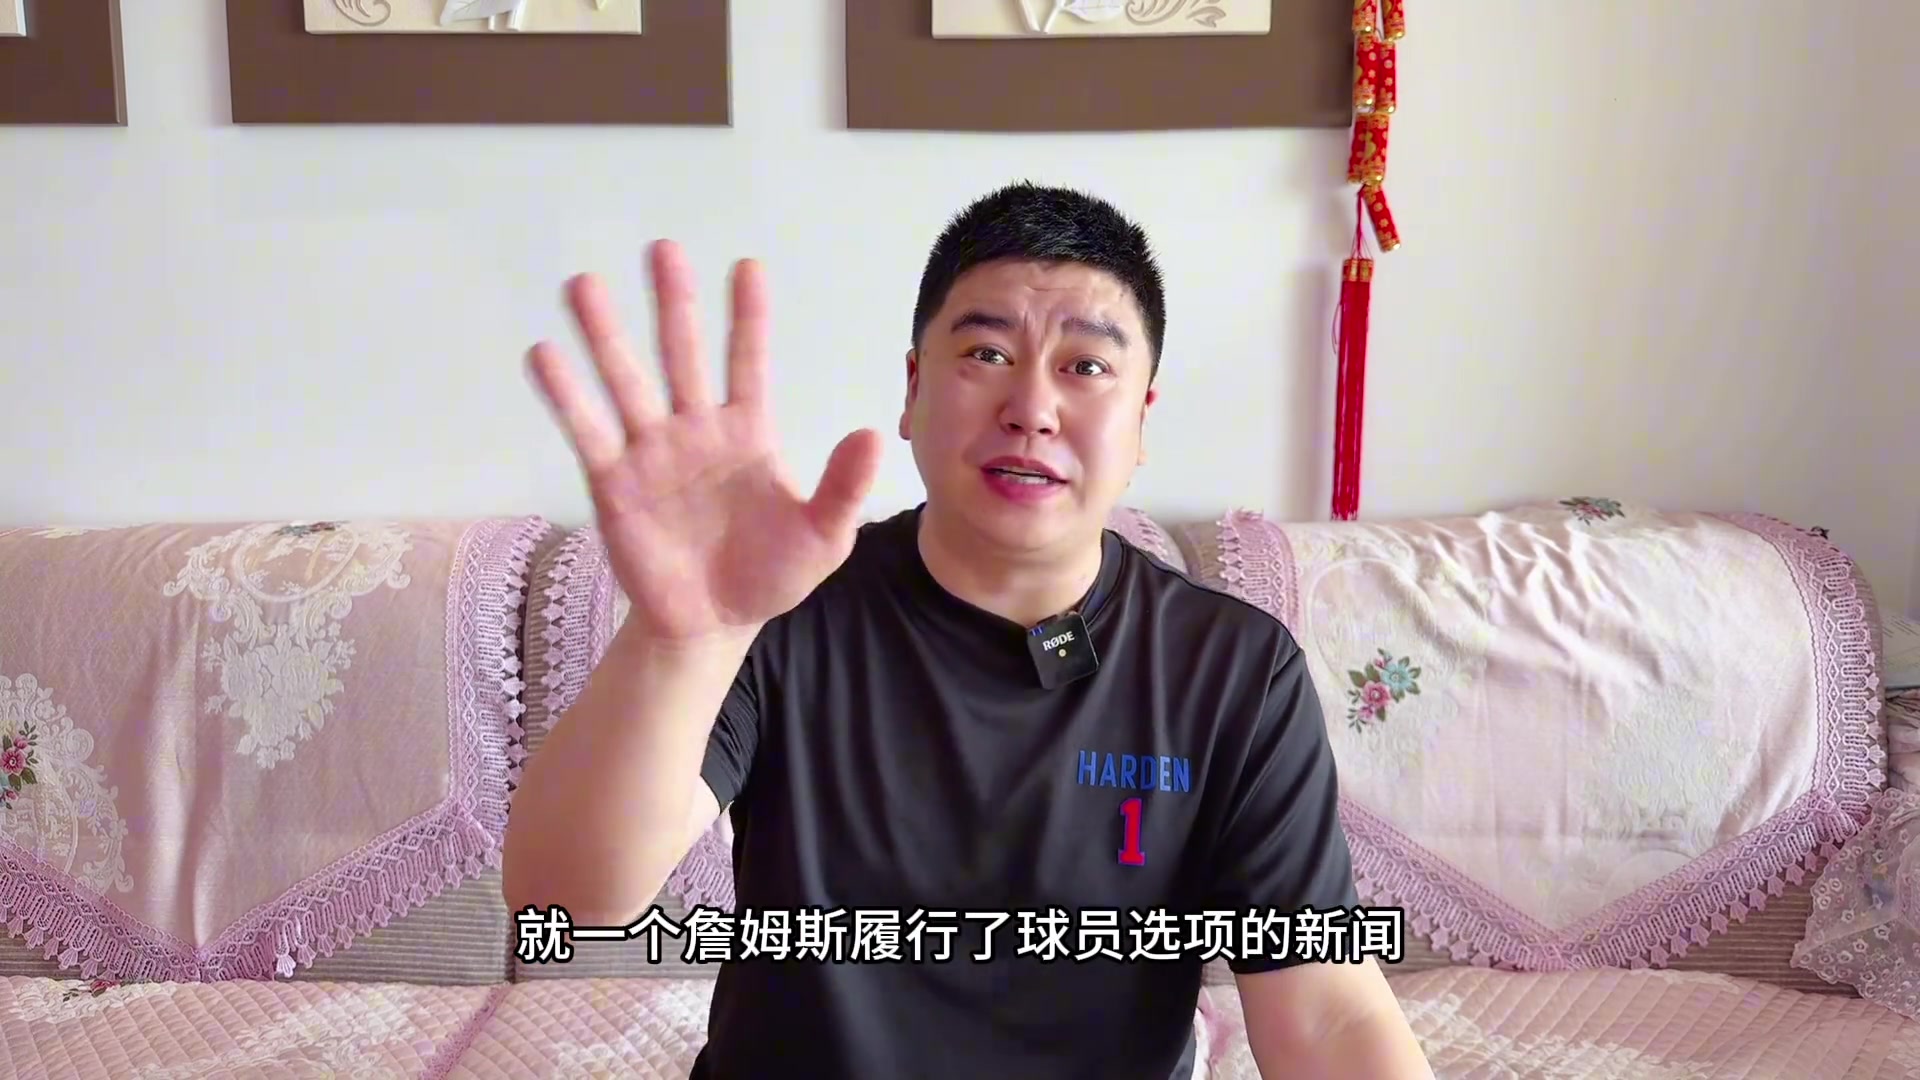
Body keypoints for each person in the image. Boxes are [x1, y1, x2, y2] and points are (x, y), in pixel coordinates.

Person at [503, 182, 1433, 1080]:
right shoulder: (779, 607)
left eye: (1086, 366)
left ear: (1141, 418)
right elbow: (565, 899)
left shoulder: (1232, 669)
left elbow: (1326, 1009)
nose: (1031, 408)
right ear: (913, 389)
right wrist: (681, 641)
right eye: (986, 353)